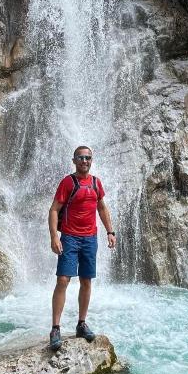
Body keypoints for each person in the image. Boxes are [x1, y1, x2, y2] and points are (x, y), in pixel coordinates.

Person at [47, 146, 116, 351]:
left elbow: (102, 208)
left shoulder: (96, 182)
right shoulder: (68, 182)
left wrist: (110, 232)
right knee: (63, 280)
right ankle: (55, 328)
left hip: (90, 238)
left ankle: (81, 324)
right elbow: (54, 209)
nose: (85, 161)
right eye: (81, 157)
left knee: (86, 281)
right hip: (69, 237)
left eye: (88, 158)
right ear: (74, 160)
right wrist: (54, 237)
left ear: (91, 160)